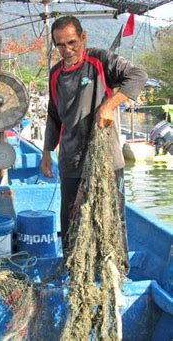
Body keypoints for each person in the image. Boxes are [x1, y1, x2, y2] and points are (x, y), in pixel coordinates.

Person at [40, 16, 148, 255]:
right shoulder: (55, 74)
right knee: (71, 223)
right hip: (71, 161)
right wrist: (47, 152)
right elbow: (54, 115)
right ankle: (73, 275)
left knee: (111, 223)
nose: (66, 50)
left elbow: (138, 75)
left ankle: (116, 276)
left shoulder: (99, 60)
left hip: (107, 160)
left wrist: (110, 105)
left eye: (72, 42)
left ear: (83, 37)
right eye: (60, 45)